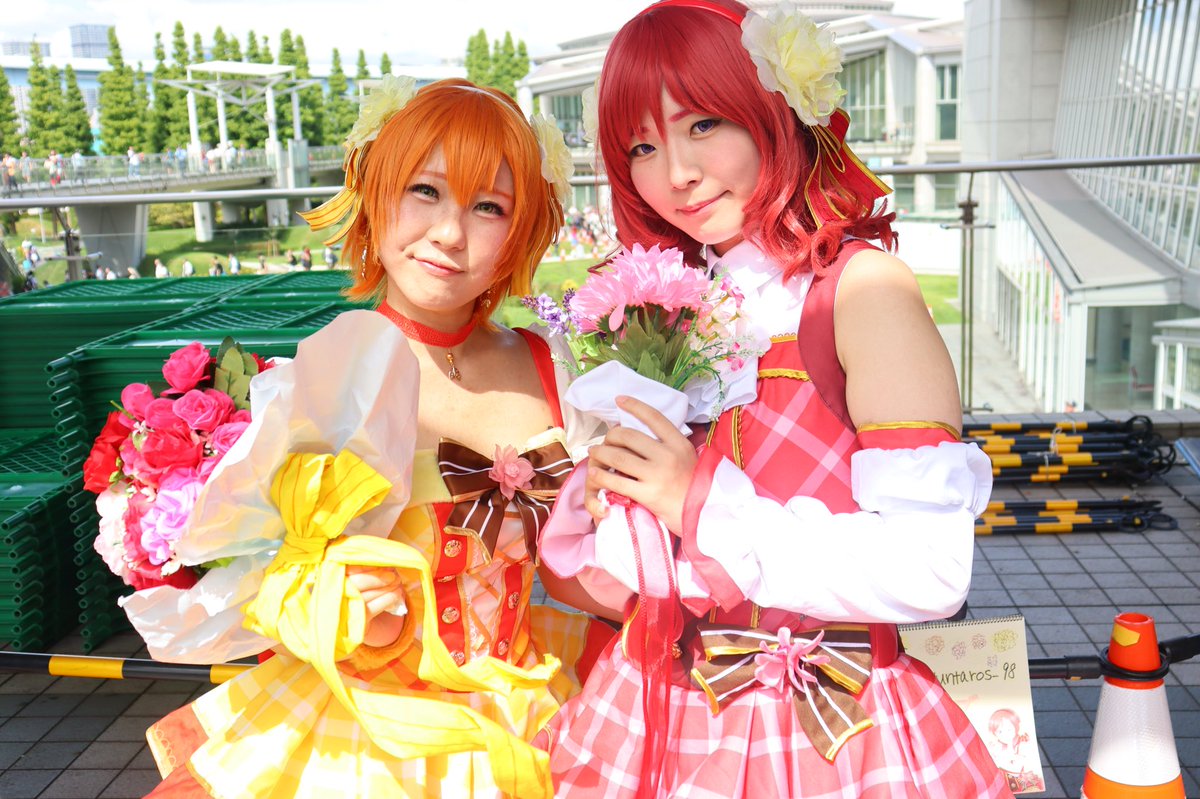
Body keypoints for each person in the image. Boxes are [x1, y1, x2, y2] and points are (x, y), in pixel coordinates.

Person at [537, 2, 1010, 797]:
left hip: (833, 728)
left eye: (703, 124)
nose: (675, 174)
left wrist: (697, 501)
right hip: (662, 706)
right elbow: (654, 571)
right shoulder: (666, 309)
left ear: (772, 111)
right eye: (642, 147)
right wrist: (615, 518)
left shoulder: (860, 292)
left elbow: (932, 570)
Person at [142, 77, 616, 799]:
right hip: (362, 735)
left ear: (521, 229)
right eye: (425, 190)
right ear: (376, 191)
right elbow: (264, 577)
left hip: (536, 703)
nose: (450, 232)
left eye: (489, 206)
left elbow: (572, 566)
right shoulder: (325, 380)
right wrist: (334, 604)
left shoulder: (551, 364)